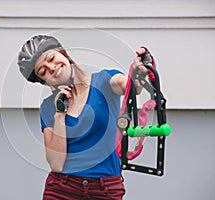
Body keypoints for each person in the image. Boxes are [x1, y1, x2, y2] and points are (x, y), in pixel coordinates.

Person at [17, 35, 151, 200]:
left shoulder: (104, 80)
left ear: (63, 54)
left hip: (106, 189)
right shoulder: (48, 107)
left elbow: (132, 87)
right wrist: (60, 114)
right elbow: (56, 164)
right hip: (62, 189)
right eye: (43, 71)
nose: (51, 67)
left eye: (51, 58)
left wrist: (139, 71)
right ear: (44, 81)